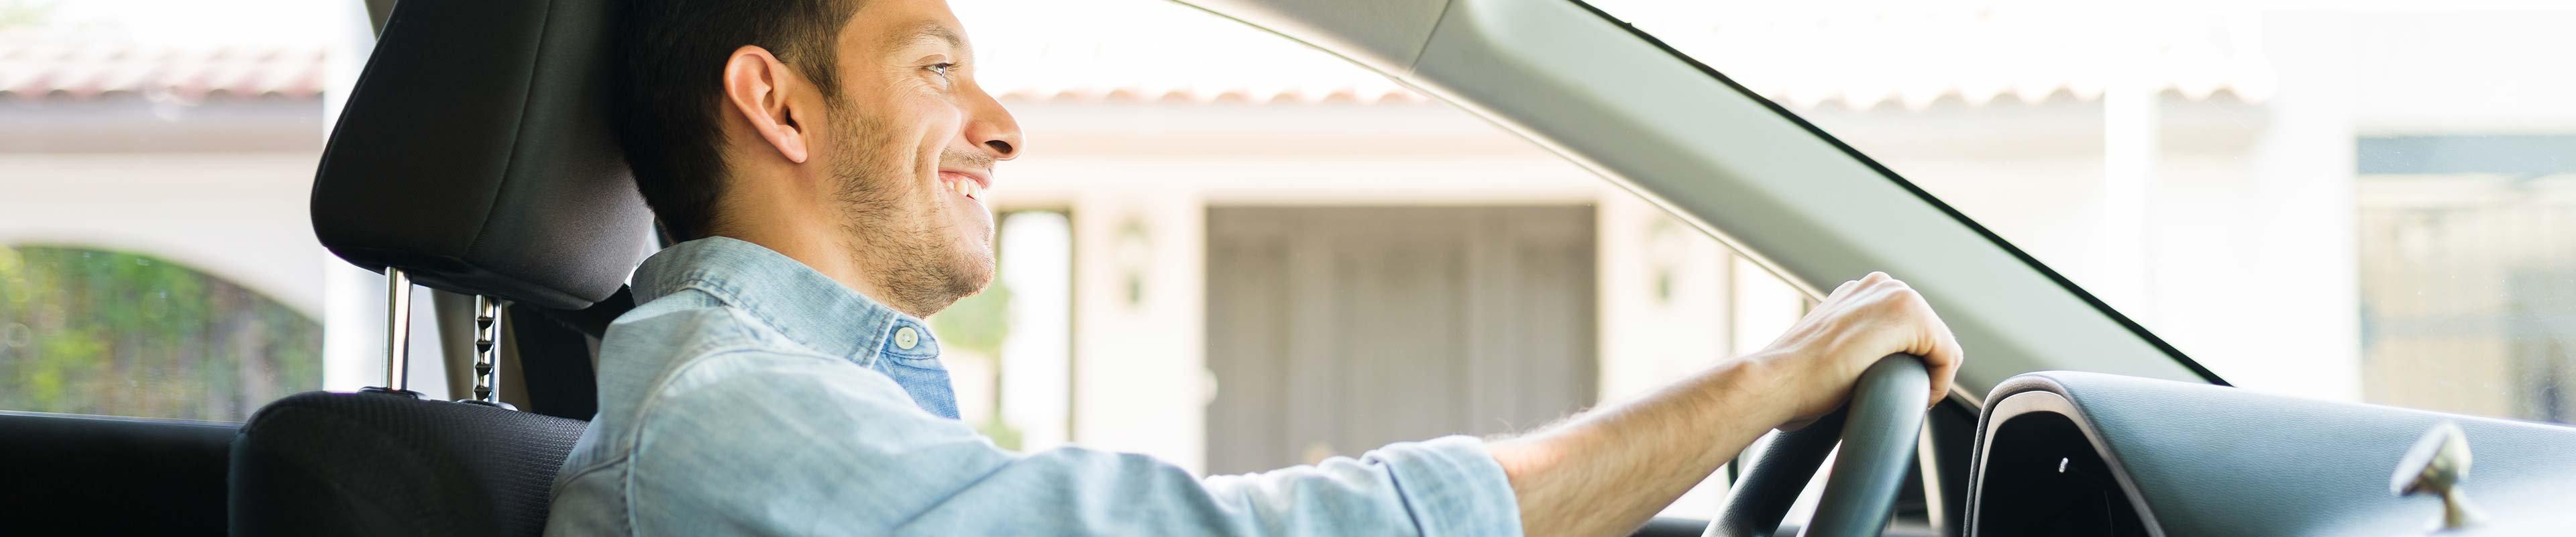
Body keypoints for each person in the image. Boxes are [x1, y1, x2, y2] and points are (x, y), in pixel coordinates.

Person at [543, 0, 1965, 534]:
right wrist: (1765, 382)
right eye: (936, 68)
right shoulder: (718, 418)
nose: (1000, 122)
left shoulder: (785, 411)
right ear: (775, 103)